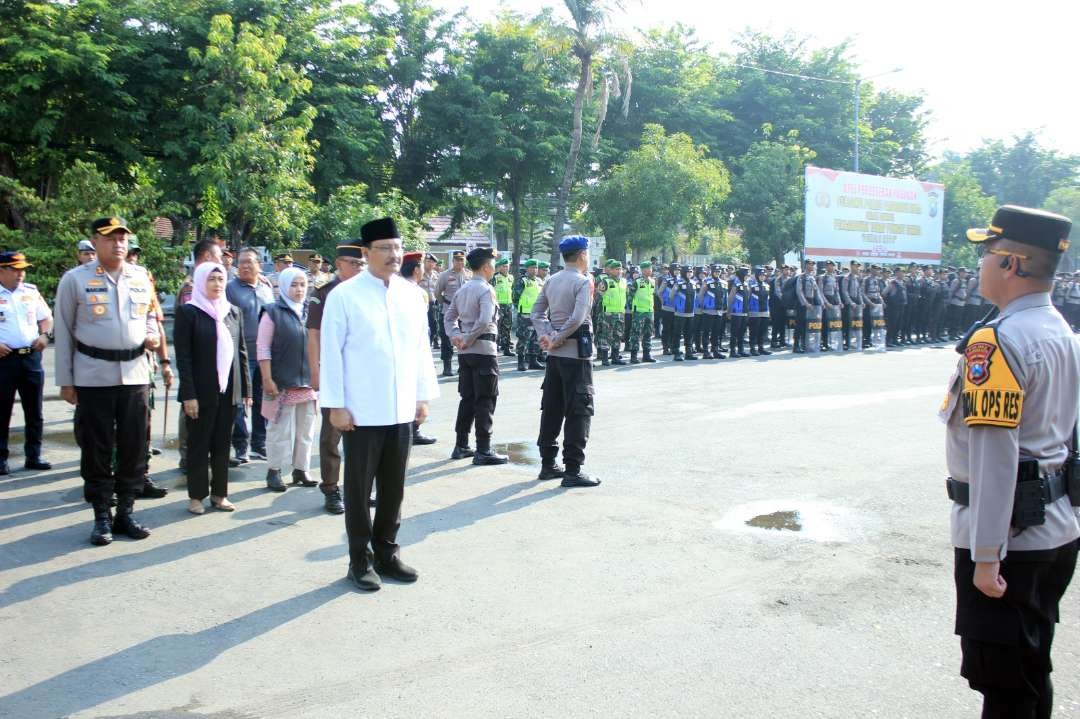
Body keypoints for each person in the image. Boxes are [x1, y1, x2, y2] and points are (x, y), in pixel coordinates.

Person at [942, 205, 1079, 717]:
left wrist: (985, 554)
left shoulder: (997, 341)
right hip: (1052, 527)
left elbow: (996, 453)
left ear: (1012, 264)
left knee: (1005, 684)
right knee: (1028, 667)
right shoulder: (1056, 327)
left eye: (986, 253)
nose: (979, 264)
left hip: (1010, 541)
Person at [320, 217, 439, 592]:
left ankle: (387, 553)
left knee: (394, 487)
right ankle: (359, 560)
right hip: (361, 412)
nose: (393, 254)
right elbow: (332, 354)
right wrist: (335, 405)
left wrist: (422, 396)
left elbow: (421, 348)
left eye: (397, 247)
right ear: (366, 253)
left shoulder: (410, 295)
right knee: (358, 490)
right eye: (385, 248)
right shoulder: (345, 295)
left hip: (401, 409)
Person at [54, 217, 159, 546]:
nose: (118, 243)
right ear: (94, 241)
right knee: (97, 447)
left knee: (134, 446)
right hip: (93, 375)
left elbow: (151, 317)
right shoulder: (75, 280)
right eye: (110, 238)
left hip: (135, 374)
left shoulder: (141, 277)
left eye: (122, 237)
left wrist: (153, 336)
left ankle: (126, 510)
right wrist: (66, 381)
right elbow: (63, 330)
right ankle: (101, 513)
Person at [174, 263, 249, 514]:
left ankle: (220, 494)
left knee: (221, 443)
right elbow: (183, 358)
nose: (217, 284)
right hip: (201, 391)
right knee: (199, 443)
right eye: (211, 279)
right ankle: (196, 496)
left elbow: (242, 354)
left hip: (229, 389)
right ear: (200, 281)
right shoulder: (189, 312)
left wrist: (246, 391)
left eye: (220, 279)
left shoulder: (233, 312)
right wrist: (189, 395)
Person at [531, 235, 600, 488]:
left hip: (555, 357)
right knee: (579, 411)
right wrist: (557, 337)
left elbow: (536, 312)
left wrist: (547, 335)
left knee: (552, 408)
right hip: (575, 356)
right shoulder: (583, 282)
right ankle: (573, 469)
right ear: (582, 254)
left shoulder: (552, 280)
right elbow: (578, 317)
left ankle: (548, 464)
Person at [306, 241, 366, 514]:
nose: (359, 268)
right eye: (354, 263)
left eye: (362, 264)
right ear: (339, 263)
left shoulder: (370, 292)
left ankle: (361, 488)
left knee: (366, 434)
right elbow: (314, 335)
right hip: (334, 373)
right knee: (332, 435)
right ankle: (331, 488)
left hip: (363, 374)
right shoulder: (325, 293)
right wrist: (316, 372)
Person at [444, 247, 509, 465]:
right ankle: (483, 449)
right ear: (485, 267)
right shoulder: (485, 289)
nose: (494, 267)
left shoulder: (463, 289)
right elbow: (484, 320)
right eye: (492, 264)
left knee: (468, 398)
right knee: (485, 399)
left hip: (466, 352)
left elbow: (449, 317)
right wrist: (469, 338)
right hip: (483, 351)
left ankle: (461, 444)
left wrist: (457, 337)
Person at [257, 266, 317, 493]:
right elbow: (263, 348)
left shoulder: (309, 312)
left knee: (306, 429)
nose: (299, 289)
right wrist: (267, 378)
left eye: (302, 284)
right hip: (281, 381)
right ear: (282, 286)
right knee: (279, 429)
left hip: (307, 382)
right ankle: (274, 471)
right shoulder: (272, 312)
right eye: (294, 284)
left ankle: (301, 469)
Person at [124, 237, 171, 498]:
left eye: (135, 254)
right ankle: (113, 481)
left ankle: (141, 476)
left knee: (143, 426)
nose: (132, 258)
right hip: (110, 370)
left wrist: (165, 363)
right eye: (129, 253)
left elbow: (156, 324)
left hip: (143, 366)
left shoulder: (143, 281)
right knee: (115, 432)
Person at [0, 251, 53, 475]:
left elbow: (46, 317)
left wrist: (45, 335)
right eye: (15, 269)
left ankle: (34, 455)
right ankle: (1, 458)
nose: (21, 273)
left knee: (35, 410)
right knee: (2, 409)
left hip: (31, 356)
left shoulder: (30, 291)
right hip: (4, 359)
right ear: (2, 270)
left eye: (23, 269)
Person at [226, 248, 275, 465]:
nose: (245, 266)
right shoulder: (230, 289)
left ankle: (259, 444)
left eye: (250, 262)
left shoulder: (266, 288)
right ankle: (241, 446)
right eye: (241, 262)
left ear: (259, 266)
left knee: (261, 401)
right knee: (238, 402)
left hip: (264, 355)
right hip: (239, 356)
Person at [400, 252, 438, 447]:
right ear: (416, 269)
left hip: (414, 346)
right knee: (416, 389)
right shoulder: (413, 292)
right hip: (413, 349)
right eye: (422, 265)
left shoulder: (405, 290)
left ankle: (412, 429)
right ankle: (412, 429)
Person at [435, 250, 471, 376]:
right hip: (448, 312)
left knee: (465, 339)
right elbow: (437, 293)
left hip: (465, 313)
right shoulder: (445, 275)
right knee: (446, 340)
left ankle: (463, 366)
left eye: (462, 259)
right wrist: (446, 305)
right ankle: (447, 366)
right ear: (453, 261)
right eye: (457, 259)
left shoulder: (469, 275)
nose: (460, 262)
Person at [595, 259, 628, 366]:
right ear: (611, 270)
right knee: (606, 335)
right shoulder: (606, 282)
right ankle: (604, 358)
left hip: (620, 312)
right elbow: (599, 295)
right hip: (608, 313)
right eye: (616, 269)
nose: (619, 271)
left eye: (620, 269)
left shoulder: (624, 281)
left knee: (618, 335)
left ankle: (615, 357)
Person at [513, 259, 543, 371]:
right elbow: (515, 297)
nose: (535, 270)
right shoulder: (522, 281)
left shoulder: (539, 281)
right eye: (532, 268)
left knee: (536, 338)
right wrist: (521, 308)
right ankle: (521, 362)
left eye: (536, 268)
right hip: (525, 314)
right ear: (527, 268)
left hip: (537, 314)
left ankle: (533, 361)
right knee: (524, 338)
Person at [627, 260, 657, 364]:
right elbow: (630, 295)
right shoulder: (637, 282)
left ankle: (646, 355)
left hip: (649, 311)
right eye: (648, 268)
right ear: (643, 270)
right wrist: (632, 307)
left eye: (651, 268)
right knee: (636, 334)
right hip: (639, 312)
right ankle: (634, 356)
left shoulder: (652, 281)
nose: (650, 270)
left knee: (648, 334)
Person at [794, 259, 821, 354]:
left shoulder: (812, 277)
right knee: (800, 325)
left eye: (813, 264)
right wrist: (806, 303)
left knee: (807, 325)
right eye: (810, 264)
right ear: (806, 265)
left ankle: (804, 345)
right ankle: (796, 346)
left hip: (811, 303)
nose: (812, 266)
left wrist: (820, 303)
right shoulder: (801, 277)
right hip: (802, 304)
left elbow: (816, 291)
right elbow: (799, 291)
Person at [492, 257, 515, 357]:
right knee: (496, 327)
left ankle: (506, 348)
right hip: (498, 305)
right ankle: (495, 347)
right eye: (504, 266)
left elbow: (512, 291)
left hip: (508, 305)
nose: (506, 268)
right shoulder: (495, 278)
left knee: (507, 327)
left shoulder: (511, 277)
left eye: (507, 266)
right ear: (499, 268)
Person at [419, 253, 440, 348]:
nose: (430, 264)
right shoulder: (419, 273)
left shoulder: (437, 276)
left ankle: (433, 340)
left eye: (432, 262)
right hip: (421, 304)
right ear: (424, 262)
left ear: (435, 264)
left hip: (433, 304)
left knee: (434, 323)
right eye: (428, 262)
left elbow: (440, 289)